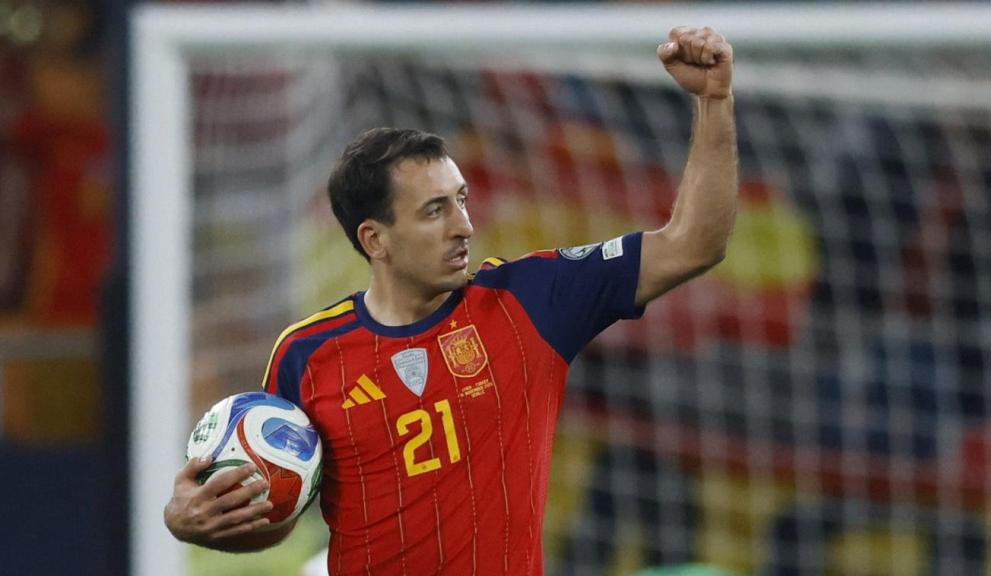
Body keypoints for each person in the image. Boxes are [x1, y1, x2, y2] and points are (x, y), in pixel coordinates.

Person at [164, 26, 737, 575]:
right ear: (375, 238)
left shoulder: (532, 300)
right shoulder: (306, 353)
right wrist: (193, 520)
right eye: (435, 211)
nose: (464, 225)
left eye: (461, 200)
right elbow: (276, 511)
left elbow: (694, 244)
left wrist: (714, 101)